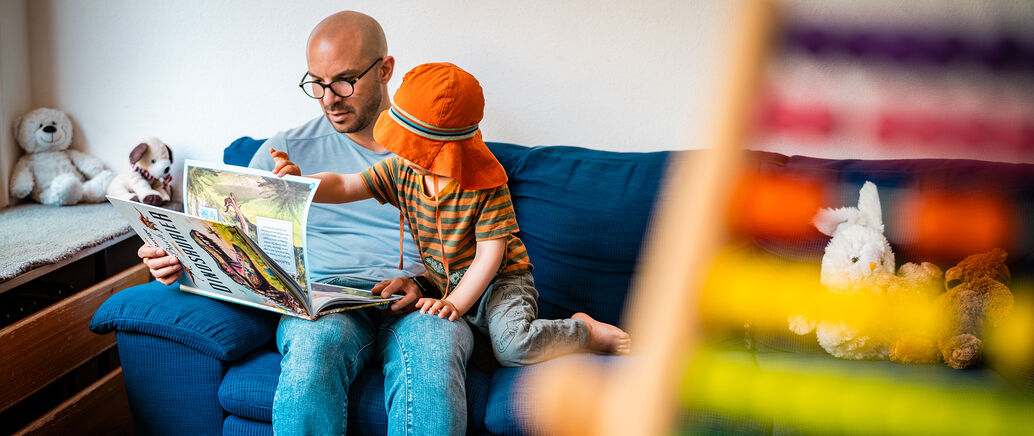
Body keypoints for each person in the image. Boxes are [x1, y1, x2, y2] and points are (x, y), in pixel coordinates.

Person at [138, 11, 473, 435]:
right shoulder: (283, 152)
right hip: (325, 306)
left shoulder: (440, 150)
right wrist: (176, 259)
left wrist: (425, 282)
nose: (329, 98)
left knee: (435, 348)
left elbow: (476, 249)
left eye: (345, 80)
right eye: (316, 82)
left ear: (386, 69)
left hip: (418, 303)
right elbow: (228, 246)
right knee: (314, 347)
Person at [271, 62, 631, 367]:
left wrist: (455, 303)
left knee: (512, 348)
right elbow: (347, 186)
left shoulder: (484, 186)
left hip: (500, 284)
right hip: (445, 280)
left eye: (415, 148)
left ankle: (583, 329)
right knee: (479, 346)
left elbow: (492, 256)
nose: (401, 153)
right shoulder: (402, 170)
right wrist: (303, 183)